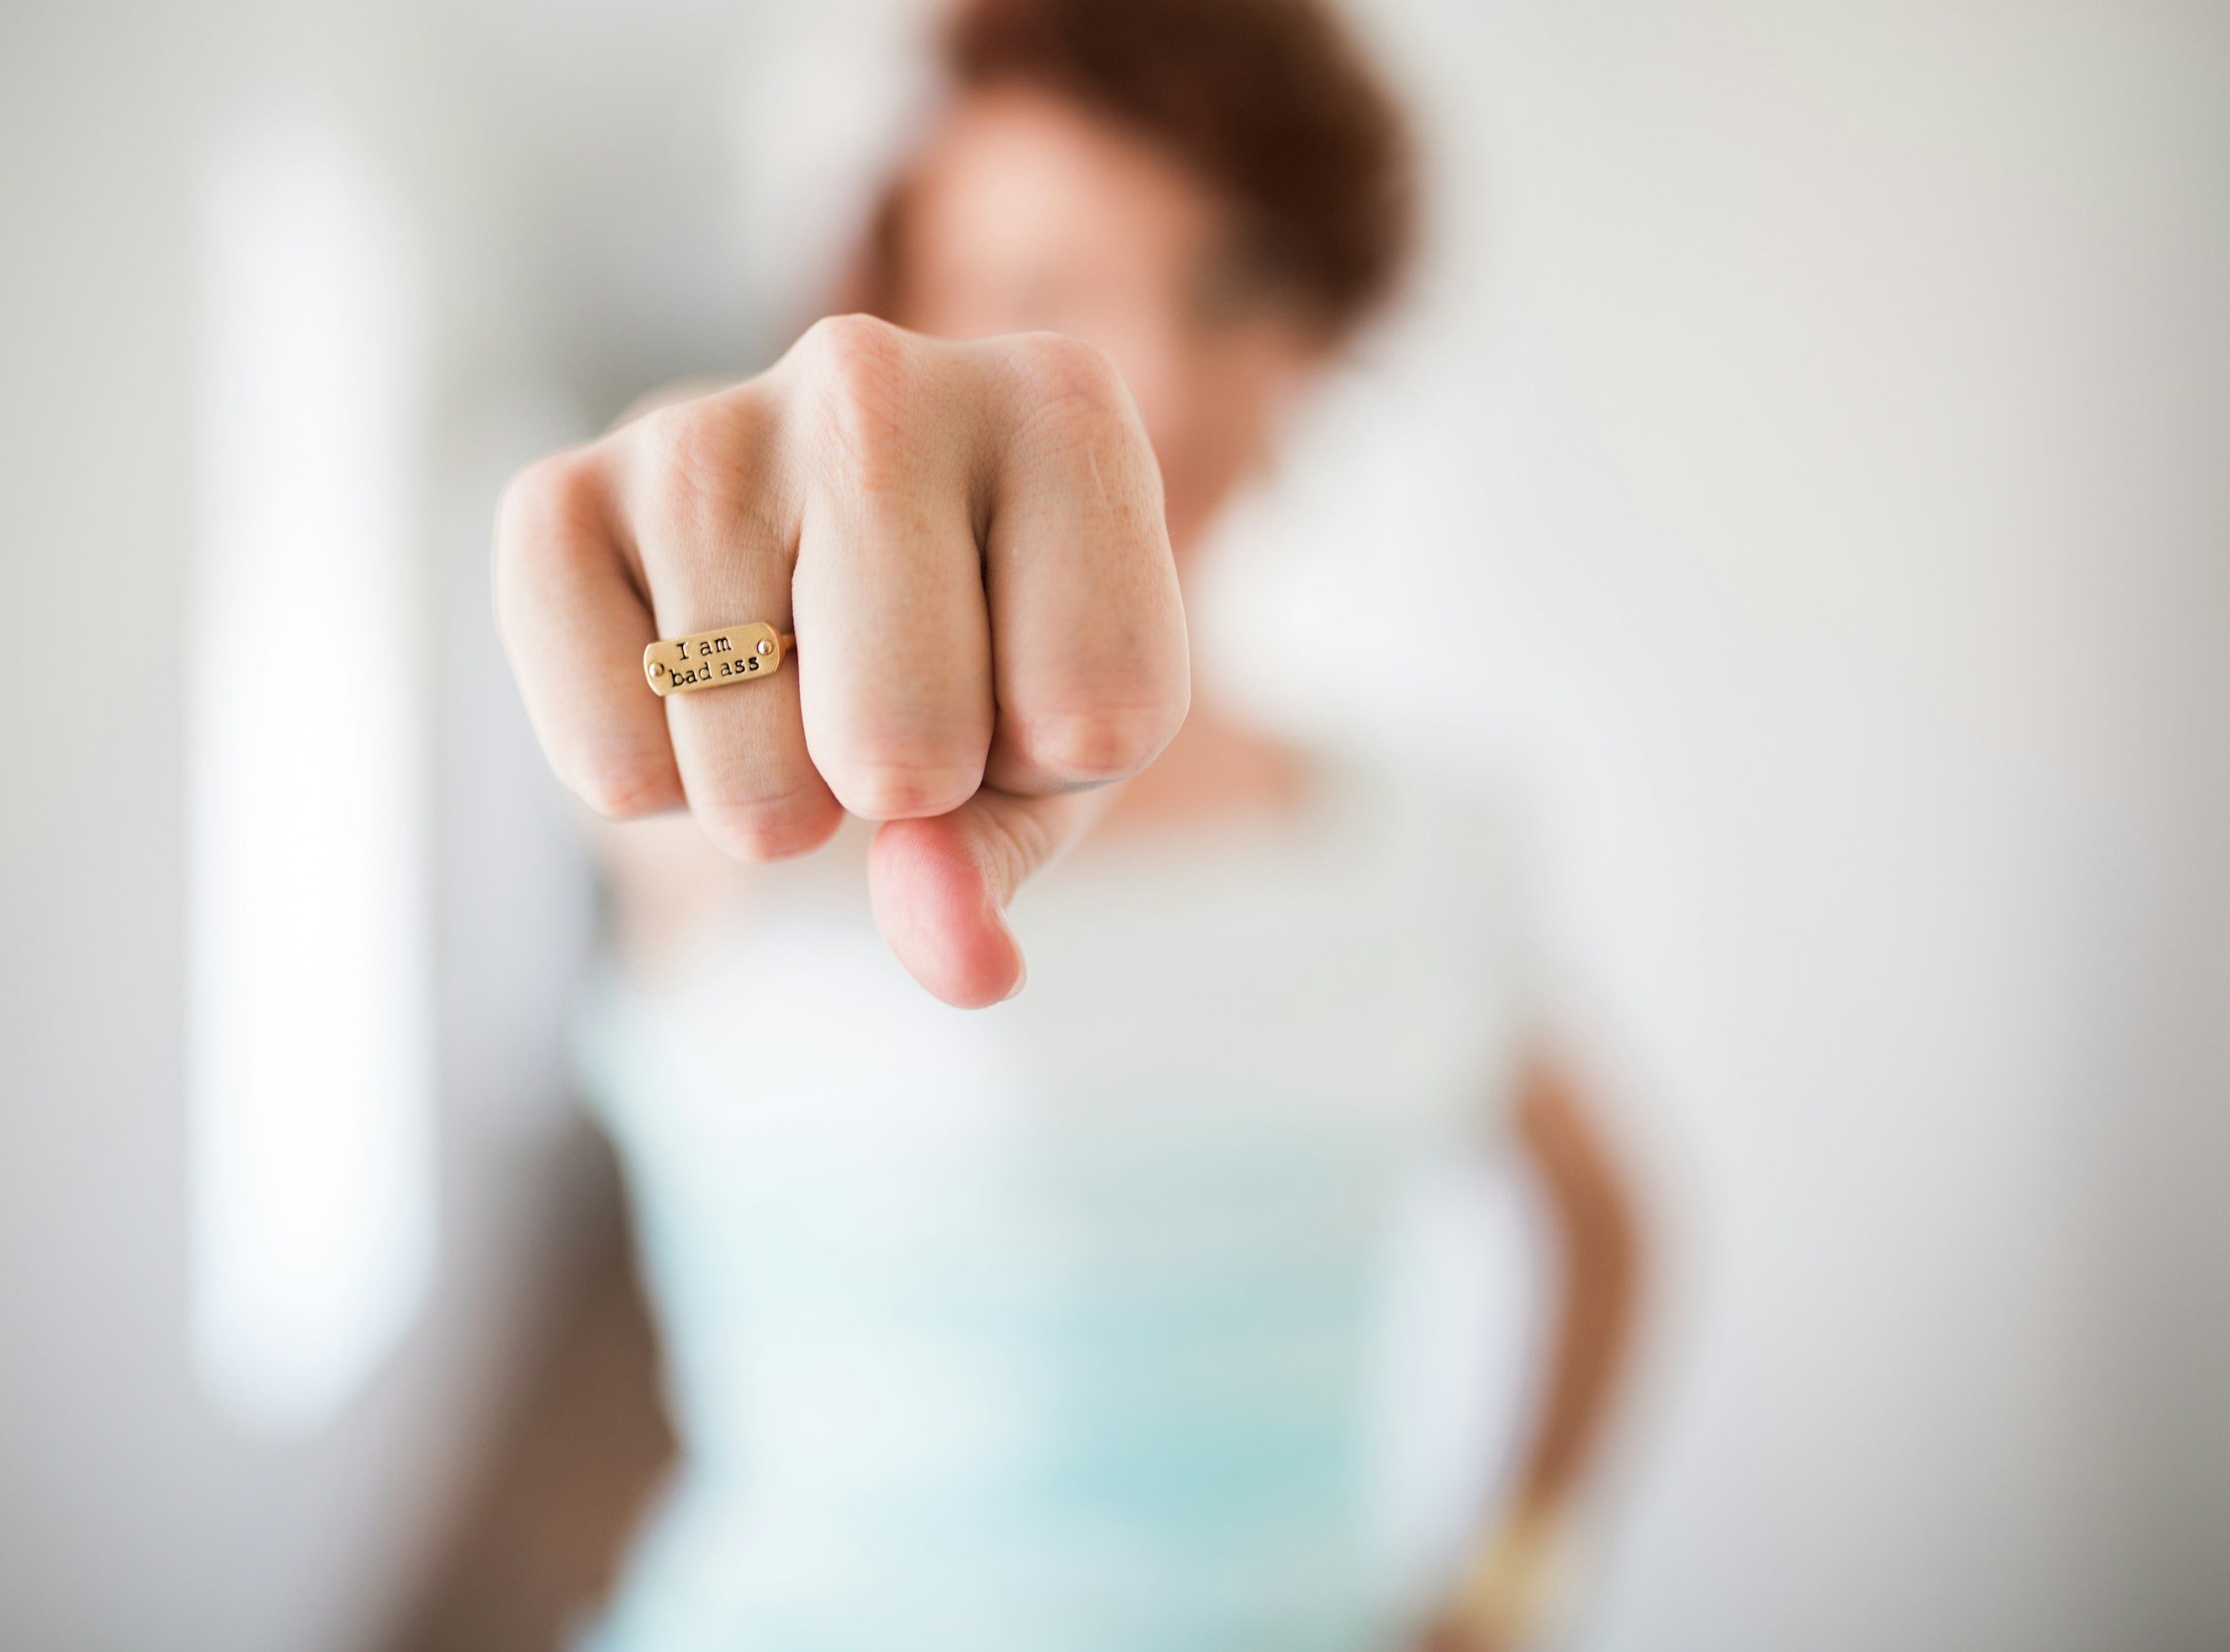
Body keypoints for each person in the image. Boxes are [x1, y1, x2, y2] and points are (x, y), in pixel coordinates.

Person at [490, 1, 1645, 1647]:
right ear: (887, 339)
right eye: (1038, 298)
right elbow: (658, 781)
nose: (1153, 382)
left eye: (1232, 284)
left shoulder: (1428, 842)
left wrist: (1514, 1582)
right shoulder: (762, 806)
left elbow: (1611, 1223)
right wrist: (682, 550)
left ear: (1322, 322)